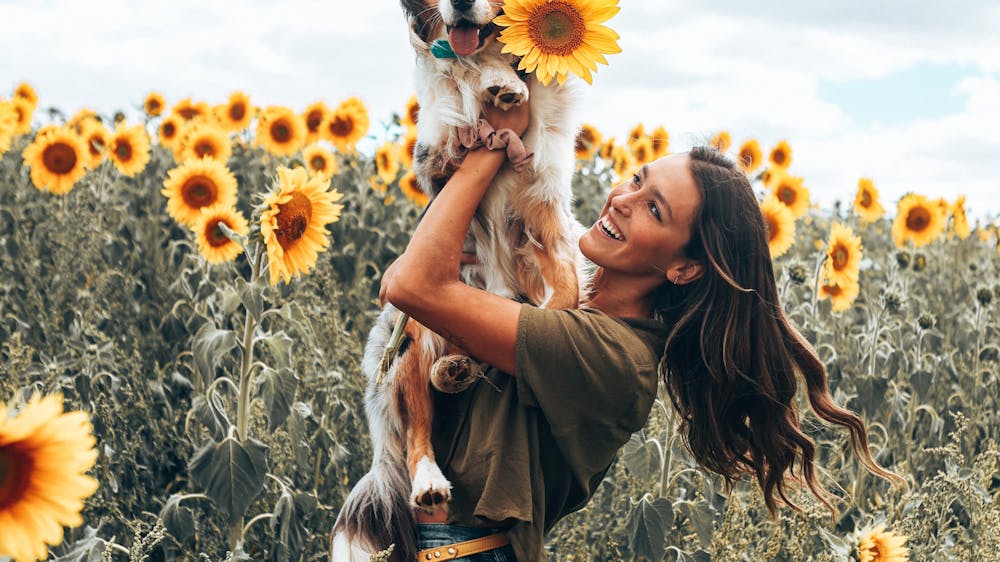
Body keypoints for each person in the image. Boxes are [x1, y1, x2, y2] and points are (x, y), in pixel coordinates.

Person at [379, 101, 898, 561]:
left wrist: (494, 143)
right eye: (636, 179)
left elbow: (411, 284)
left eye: (654, 208)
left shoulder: (613, 356)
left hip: (457, 550)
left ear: (684, 268)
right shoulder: (557, 274)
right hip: (404, 531)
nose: (622, 199)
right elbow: (407, 287)